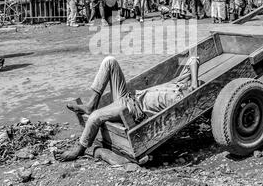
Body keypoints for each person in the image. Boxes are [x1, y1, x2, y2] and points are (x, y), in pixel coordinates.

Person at [54, 55, 200, 162]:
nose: (194, 85)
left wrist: (193, 92)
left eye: (197, 83)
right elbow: (193, 58)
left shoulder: (183, 101)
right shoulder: (182, 83)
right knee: (110, 61)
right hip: (129, 96)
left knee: (95, 117)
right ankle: (91, 104)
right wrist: (194, 82)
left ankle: (78, 150)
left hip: (132, 109)